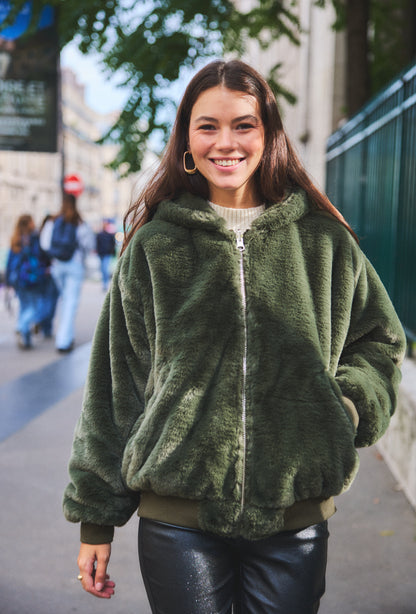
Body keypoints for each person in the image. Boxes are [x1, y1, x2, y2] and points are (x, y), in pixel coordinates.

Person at [63, 60, 406, 613]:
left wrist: (342, 409)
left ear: (268, 134)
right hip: (177, 519)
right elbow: (113, 387)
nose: (226, 142)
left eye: (243, 124)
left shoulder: (322, 241)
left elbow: (381, 340)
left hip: (294, 517)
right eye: (208, 126)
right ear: (186, 142)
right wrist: (95, 518)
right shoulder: (155, 248)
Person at [41, 193, 94, 353]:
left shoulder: (53, 222)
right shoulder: (79, 223)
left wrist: (56, 254)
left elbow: (44, 243)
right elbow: (88, 244)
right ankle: (63, 341)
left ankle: (66, 335)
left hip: (58, 265)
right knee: (70, 302)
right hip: (74, 265)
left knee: (65, 300)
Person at [5, 214, 48, 349]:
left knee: (24, 307)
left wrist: (8, 280)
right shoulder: (33, 238)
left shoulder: (15, 238)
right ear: (29, 223)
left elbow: (10, 260)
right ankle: (21, 327)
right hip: (32, 278)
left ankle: (26, 340)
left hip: (18, 279)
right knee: (34, 308)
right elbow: (41, 255)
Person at [95, 219, 116, 291]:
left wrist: (112, 252)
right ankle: (104, 283)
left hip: (107, 253)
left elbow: (113, 245)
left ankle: (105, 283)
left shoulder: (110, 235)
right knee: (102, 269)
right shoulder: (99, 235)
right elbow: (97, 244)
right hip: (101, 254)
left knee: (105, 269)